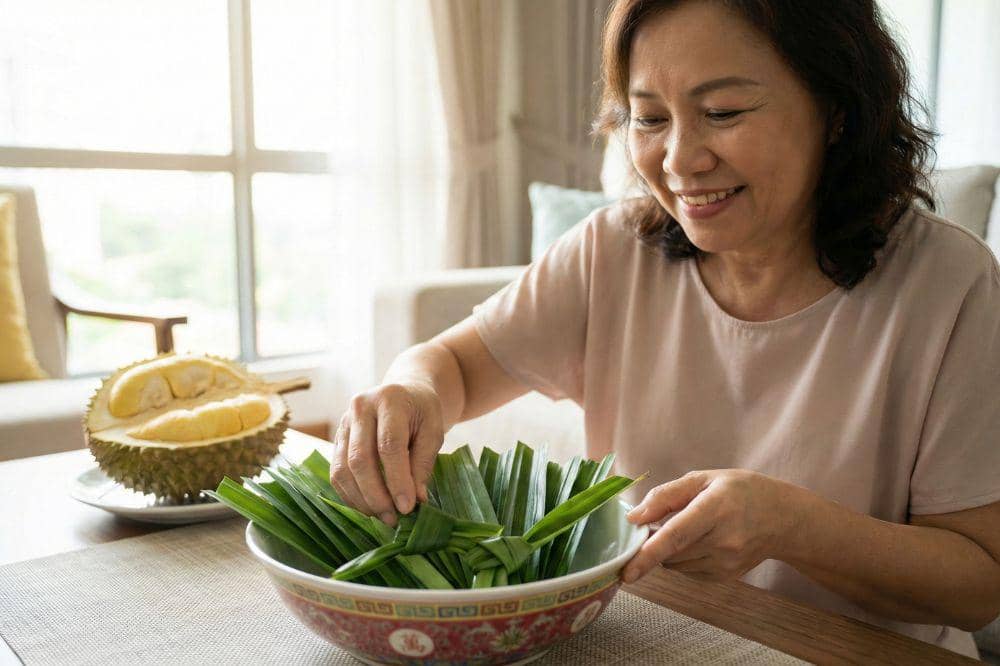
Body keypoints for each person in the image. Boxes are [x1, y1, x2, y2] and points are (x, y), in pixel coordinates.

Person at [331, 0, 1000, 657]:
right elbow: (449, 366)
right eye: (649, 118)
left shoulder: (949, 282)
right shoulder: (613, 251)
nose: (679, 160)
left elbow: (979, 586)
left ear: (837, 109)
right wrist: (411, 391)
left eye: (724, 113)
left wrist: (790, 525)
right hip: (666, 637)